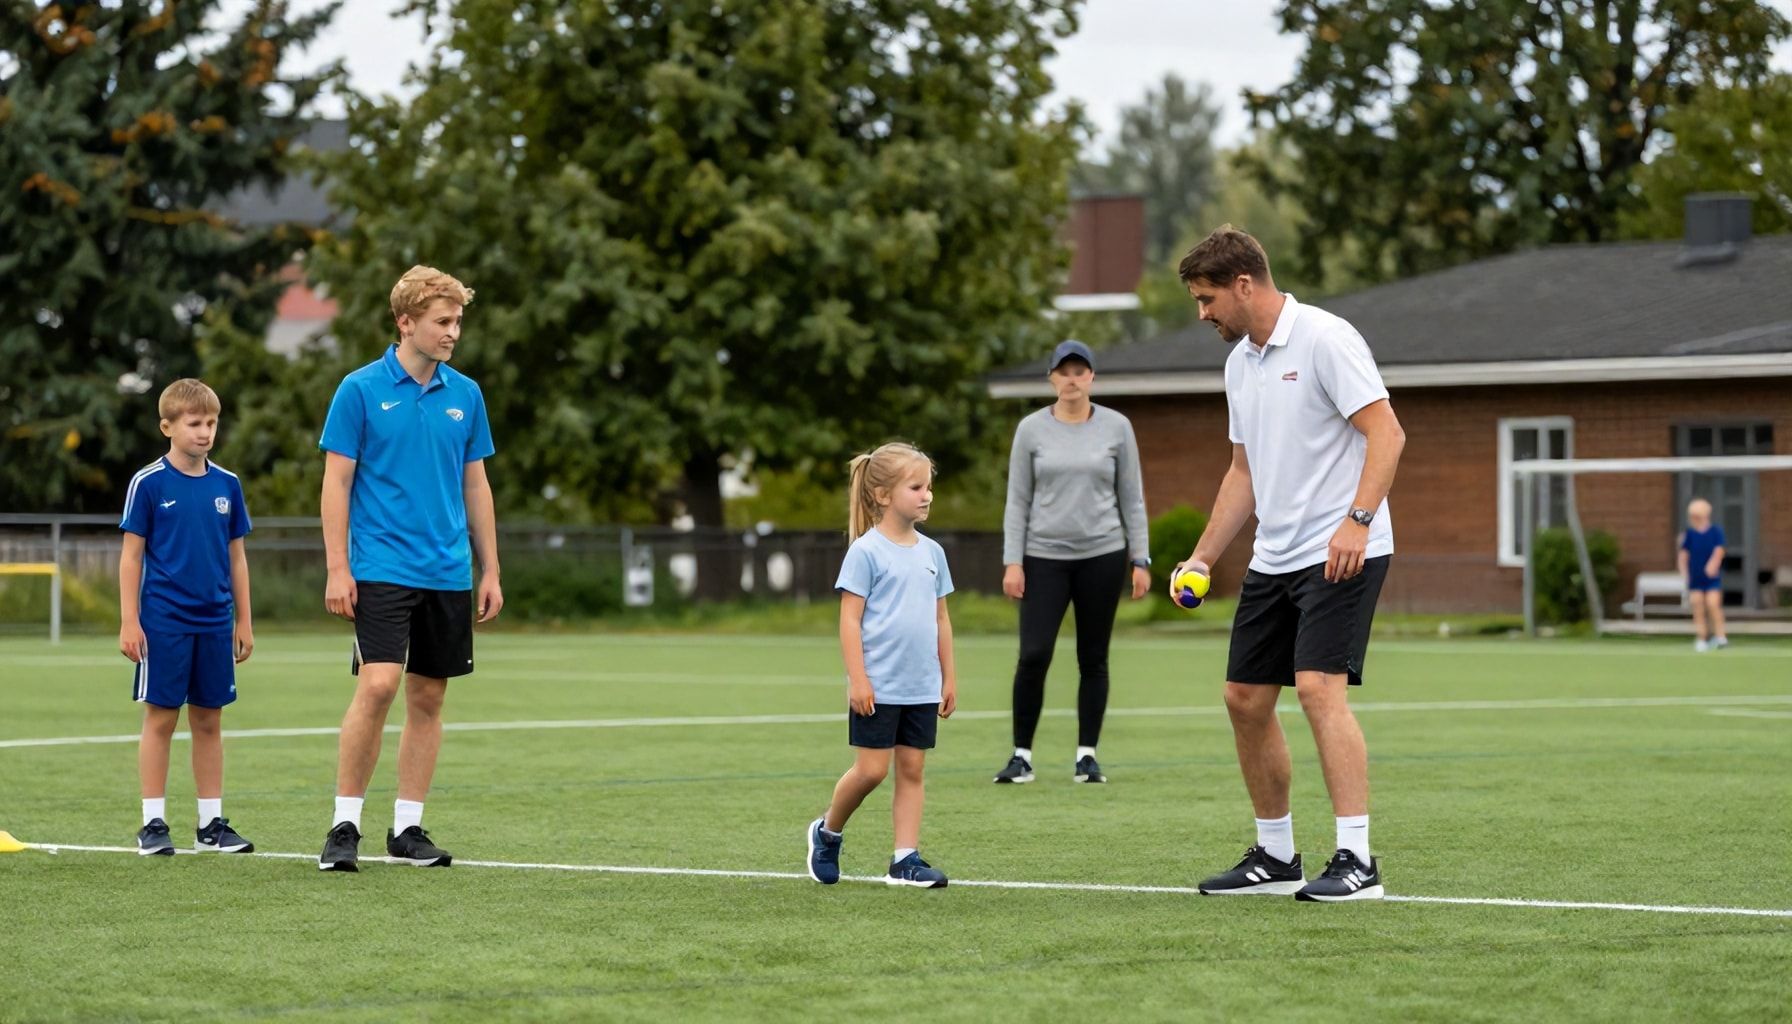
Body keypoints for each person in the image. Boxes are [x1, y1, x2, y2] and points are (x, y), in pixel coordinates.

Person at [1171, 226, 1406, 903]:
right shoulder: (1238, 363)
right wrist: (1204, 556)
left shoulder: (1327, 339)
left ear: (1245, 283)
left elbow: (1386, 433)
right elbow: (1243, 470)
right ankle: (1276, 857)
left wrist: (1356, 523)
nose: (1203, 313)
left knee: (1316, 689)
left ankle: (1357, 861)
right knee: (1243, 698)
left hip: (1342, 549)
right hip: (1275, 556)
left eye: (1208, 298)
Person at [315, 265, 503, 872]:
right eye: (442, 322)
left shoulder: (466, 395)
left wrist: (490, 569)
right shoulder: (360, 389)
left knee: (428, 698)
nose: (453, 333)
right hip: (380, 565)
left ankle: (408, 829)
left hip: (447, 571)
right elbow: (336, 483)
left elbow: (476, 484)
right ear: (406, 323)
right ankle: (344, 825)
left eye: (457, 322)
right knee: (377, 685)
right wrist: (337, 568)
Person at [994, 339, 1151, 786]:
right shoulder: (1030, 429)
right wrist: (1012, 562)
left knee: (1093, 657)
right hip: (1042, 557)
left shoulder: (1118, 427)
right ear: (1051, 378)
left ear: (1091, 378)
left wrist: (1140, 558)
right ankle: (1021, 755)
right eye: (1063, 371)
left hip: (1103, 554)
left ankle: (1087, 755)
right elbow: (1017, 499)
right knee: (1034, 653)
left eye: (1080, 371)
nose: (1071, 379)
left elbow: (1132, 496)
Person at [806, 442, 957, 889]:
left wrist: (949, 676)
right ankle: (827, 832)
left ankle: (904, 859)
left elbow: (941, 618)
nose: (927, 495)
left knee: (912, 769)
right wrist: (858, 678)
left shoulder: (933, 553)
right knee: (872, 771)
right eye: (916, 487)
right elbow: (850, 620)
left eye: (929, 486)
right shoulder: (866, 551)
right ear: (883, 495)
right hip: (877, 685)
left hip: (922, 685)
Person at [118, 379, 255, 856]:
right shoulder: (148, 483)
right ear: (168, 427)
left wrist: (244, 620)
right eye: (194, 423)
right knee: (161, 719)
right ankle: (152, 824)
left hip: (216, 621)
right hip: (163, 621)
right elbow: (131, 557)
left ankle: (211, 823)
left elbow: (237, 558)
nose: (204, 432)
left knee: (209, 720)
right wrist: (129, 620)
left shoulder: (228, 485)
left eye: (211, 423)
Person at [1678, 498, 1728, 652]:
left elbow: (1719, 550)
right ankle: (1702, 637)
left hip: (1711, 577)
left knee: (1713, 604)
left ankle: (1720, 637)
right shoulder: (1690, 534)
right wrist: (1684, 573)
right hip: (1695, 577)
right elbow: (1683, 556)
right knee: (1698, 606)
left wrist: (1713, 564)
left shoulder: (1715, 532)